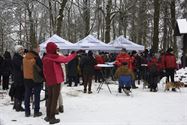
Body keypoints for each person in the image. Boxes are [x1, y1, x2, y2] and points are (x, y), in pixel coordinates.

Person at [42, 42, 77, 124]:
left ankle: (48, 115)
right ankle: (52, 117)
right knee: (55, 98)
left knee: (50, 98)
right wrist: (74, 54)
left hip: (49, 80)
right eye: (55, 48)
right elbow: (66, 59)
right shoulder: (54, 57)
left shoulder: (45, 57)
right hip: (56, 80)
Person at [23, 46, 43, 117]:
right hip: (36, 80)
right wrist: (43, 77)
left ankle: (27, 112)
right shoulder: (36, 58)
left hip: (26, 79)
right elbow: (41, 69)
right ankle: (36, 111)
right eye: (38, 48)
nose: (39, 49)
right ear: (35, 50)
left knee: (27, 95)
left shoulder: (25, 58)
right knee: (37, 96)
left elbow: (22, 68)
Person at [12, 45, 25, 112]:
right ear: (17, 51)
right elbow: (21, 67)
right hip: (18, 77)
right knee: (18, 92)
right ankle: (18, 106)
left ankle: (16, 105)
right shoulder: (17, 58)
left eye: (22, 49)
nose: (22, 50)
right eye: (20, 49)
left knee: (19, 91)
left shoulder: (19, 57)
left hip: (19, 77)